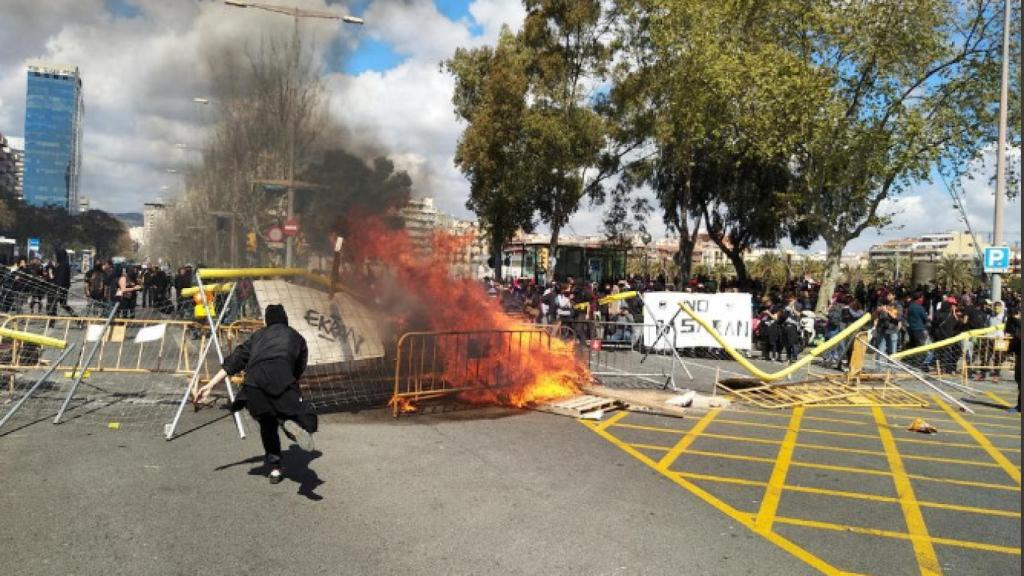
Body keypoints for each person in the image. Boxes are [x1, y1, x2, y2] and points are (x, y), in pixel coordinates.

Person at [194, 304, 315, 484]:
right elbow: (299, 367)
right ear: (285, 319)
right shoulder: (296, 336)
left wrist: (210, 384)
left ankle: (275, 468)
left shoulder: (258, 336)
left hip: (254, 384)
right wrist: (291, 383)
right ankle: (288, 423)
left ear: (267, 321)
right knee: (297, 414)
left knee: (267, 425)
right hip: (281, 377)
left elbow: (236, 359)